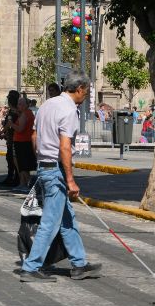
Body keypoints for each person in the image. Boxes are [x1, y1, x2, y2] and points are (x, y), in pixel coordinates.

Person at [20, 70, 102, 282]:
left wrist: (41, 158)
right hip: (56, 169)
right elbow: (65, 147)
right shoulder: (69, 110)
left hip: (45, 166)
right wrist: (70, 179)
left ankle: (79, 264)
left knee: (67, 219)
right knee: (50, 222)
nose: (85, 97)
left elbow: (34, 135)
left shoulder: (47, 104)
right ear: (80, 88)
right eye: (86, 92)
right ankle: (31, 266)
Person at [0, 90, 20, 187]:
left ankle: (13, 178)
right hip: (12, 138)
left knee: (12, 159)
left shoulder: (13, 112)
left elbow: (9, 125)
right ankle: (14, 178)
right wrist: (4, 135)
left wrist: (0, 133)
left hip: (13, 140)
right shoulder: (16, 111)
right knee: (12, 159)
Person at [12, 97, 37, 192]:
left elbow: (20, 129)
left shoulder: (25, 114)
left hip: (22, 142)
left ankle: (30, 184)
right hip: (24, 141)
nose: (19, 106)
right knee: (22, 165)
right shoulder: (27, 113)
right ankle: (23, 183)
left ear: (26, 105)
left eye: (21, 104)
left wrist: (11, 124)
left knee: (23, 165)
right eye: (19, 104)